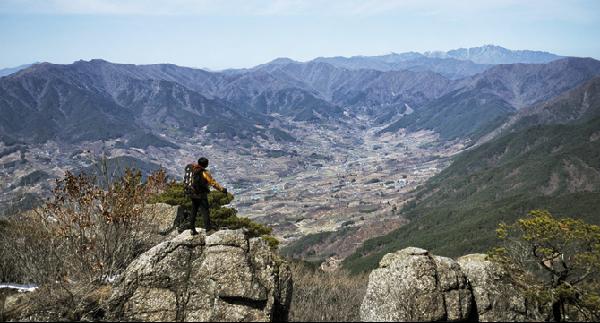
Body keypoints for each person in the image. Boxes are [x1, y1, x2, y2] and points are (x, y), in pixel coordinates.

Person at [187, 157, 228, 235]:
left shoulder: (193, 169)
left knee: (193, 211)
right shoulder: (204, 172)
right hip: (201, 195)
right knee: (205, 211)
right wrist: (222, 189)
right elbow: (213, 183)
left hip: (192, 193)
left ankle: (192, 229)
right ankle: (208, 230)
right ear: (205, 165)